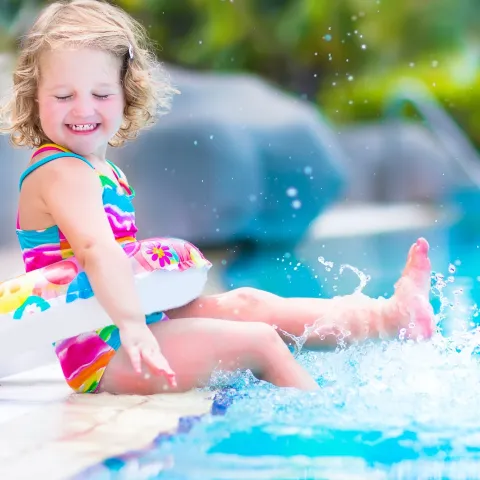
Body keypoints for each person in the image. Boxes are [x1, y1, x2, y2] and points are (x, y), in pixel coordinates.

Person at [0, 0, 434, 396]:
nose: (82, 109)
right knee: (259, 342)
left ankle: (391, 317)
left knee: (251, 303)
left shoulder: (103, 168)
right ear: (34, 96)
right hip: (104, 352)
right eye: (63, 95)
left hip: (135, 323)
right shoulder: (60, 171)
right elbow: (97, 251)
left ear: (126, 95)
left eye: (100, 94)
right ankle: (326, 433)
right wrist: (134, 328)